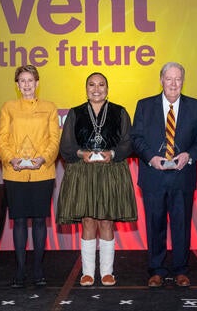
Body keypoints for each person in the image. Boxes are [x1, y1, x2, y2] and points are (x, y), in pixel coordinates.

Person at [131, 62, 197, 288]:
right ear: (161, 80)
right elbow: (136, 137)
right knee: (154, 225)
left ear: (183, 81)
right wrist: (150, 158)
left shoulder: (195, 106)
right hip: (153, 175)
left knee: (181, 226)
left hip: (182, 176)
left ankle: (180, 270)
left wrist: (189, 155)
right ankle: (156, 270)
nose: (174, 83)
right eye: (169, 78)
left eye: (178, 79)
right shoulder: (145, 106)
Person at [57, 72, 137, 287]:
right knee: (88, 221)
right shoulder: (75, 113)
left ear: (107, 89)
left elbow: (128, 142)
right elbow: (66, 147)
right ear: (86, 89)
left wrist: (112, 153)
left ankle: (107, 272)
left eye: (101, 85)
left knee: (106, 220)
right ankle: (88, 273)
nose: (96, 88)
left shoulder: (119, 112)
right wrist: (82, 154)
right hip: (83, 172)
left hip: (111, 171)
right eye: (91, 84)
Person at [0, 65, 60, 288]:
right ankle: (21, 270)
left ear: (37, 83)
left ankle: (38, 270)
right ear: (17, 85)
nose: (26, 85)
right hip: (15, 173)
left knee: (40, 220)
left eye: (30, 80)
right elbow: (1, 140)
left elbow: (54, 140)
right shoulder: (8, 107)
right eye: (22, 81)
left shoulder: (49, 108)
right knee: (20, 221)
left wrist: (43, 158)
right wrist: (11, 159)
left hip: (43, 172)